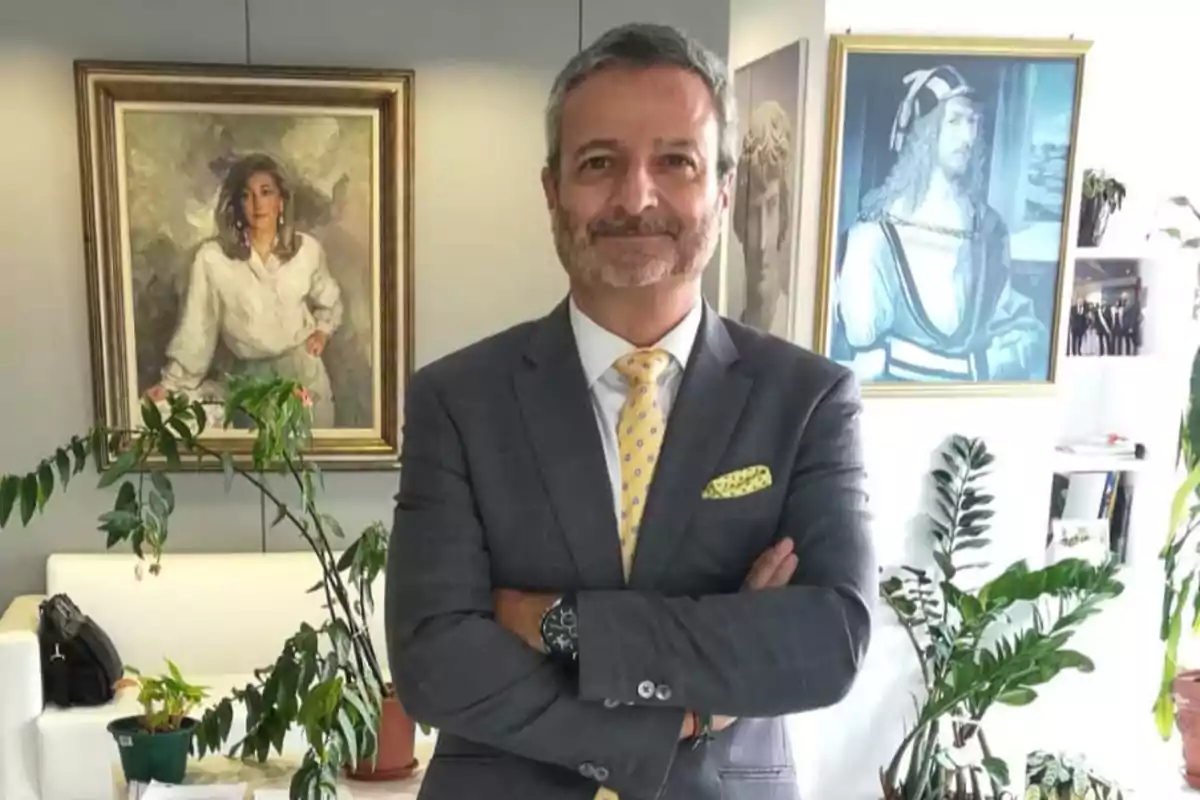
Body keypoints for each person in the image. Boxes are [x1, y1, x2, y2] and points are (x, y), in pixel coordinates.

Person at [386, 23, 875, 800]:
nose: (635, 197)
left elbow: (828, 642)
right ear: (552, 191)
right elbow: (434, 661)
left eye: (676, 161)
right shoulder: (457, 400)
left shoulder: (809, 400)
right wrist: (686, 713)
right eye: (599, 163)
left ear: (723, 188)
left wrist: (560, 623)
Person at [836, 64, 1047, 382]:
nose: (969, 136)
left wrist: (977, 365)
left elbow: (1024, 330)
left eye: (974, 122)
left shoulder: (989, 230)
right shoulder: (874, 236)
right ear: (925, 133)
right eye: (955, 121)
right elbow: (865, 360)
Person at [145, 153, 344, 427]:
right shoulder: (212, 258)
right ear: (237, 204)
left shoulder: (307, 250)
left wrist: (322, 331)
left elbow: (329, 301)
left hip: (304, 378)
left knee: (310, 451)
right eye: (246, 195)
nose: (257, 204)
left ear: (281, 201)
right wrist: (170, 384)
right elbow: (197, 329)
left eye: (266, 192)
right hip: (247, 386)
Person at [732, 100, 793, 335]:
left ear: (784, 217)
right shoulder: (729, 334)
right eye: (753, 213)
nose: (762, 243)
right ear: (739, 223)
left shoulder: (792, 326)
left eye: (772, 207)